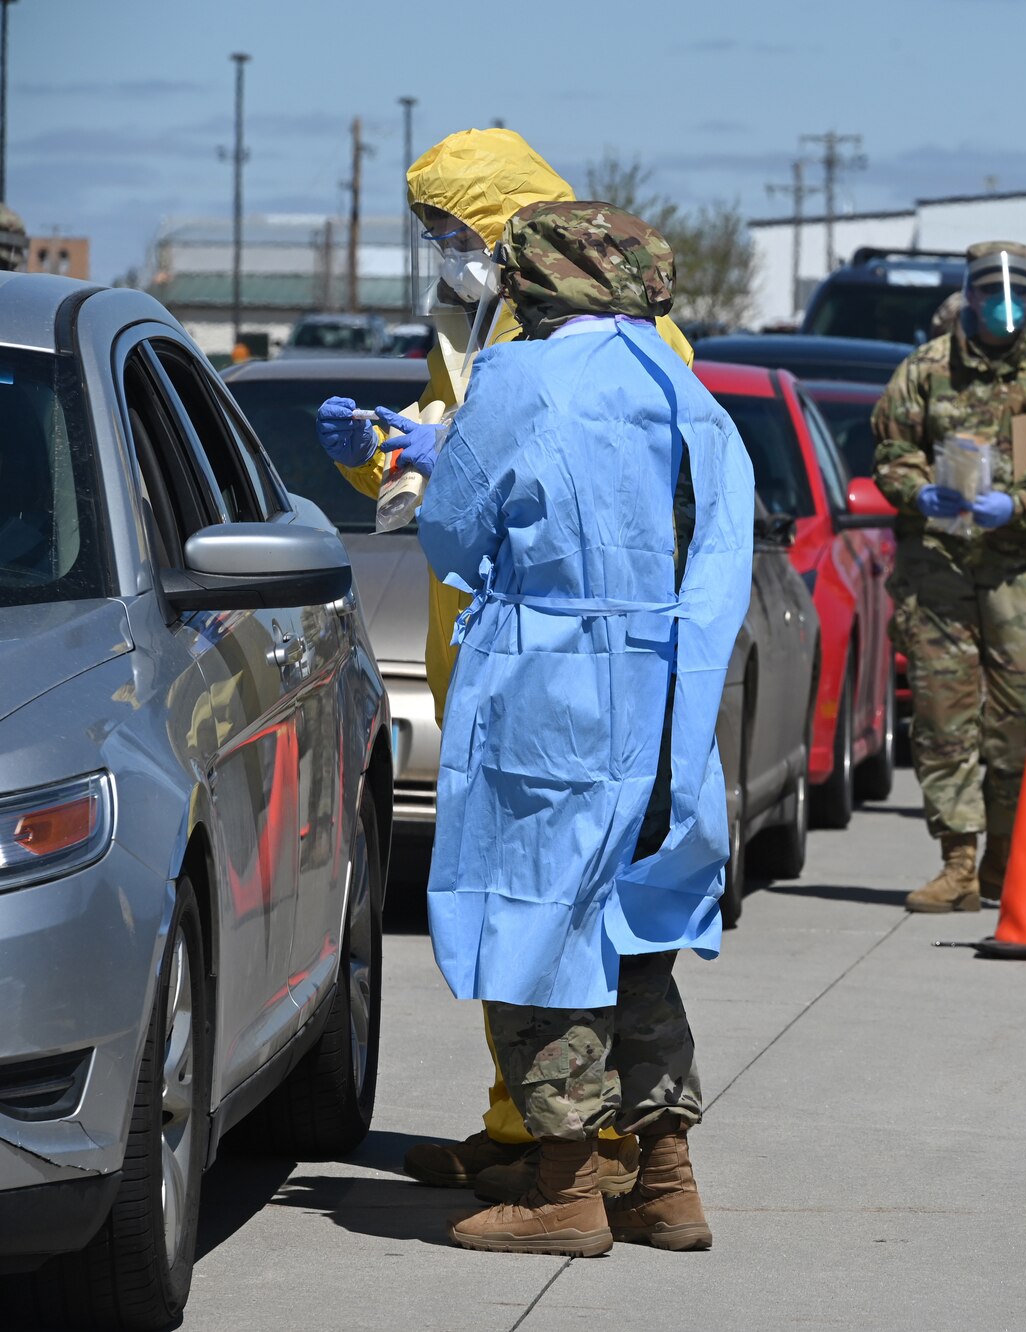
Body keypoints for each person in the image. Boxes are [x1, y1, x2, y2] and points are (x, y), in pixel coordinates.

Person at [309, 128, 699, 1203]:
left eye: (456, 229)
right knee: (610, 917)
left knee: (537, 911)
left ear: (511, 225)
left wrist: (450, 462)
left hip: (543, 664)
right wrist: (389, 464)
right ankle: (598, 1149)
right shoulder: (513, 329)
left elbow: (490, 512)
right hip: (601, 661)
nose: (447, 250)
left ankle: (572, 1167)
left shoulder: (578, 350)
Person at [415, 200, 753, 1256]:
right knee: (638, 934)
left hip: (554, 700)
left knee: (543, 929)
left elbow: (454, 540)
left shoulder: (518, 381)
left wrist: (419, 460)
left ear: (535, 281)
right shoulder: (688, 394)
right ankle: (664, 1183)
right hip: (669, 705)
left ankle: (562, 1190)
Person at [873, 241, 1026, 911]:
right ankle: (959, 862)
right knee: (943, 720)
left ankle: (1004, 856)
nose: (1005, 306)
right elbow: (891, 452)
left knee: (1019, 722)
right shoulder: (924, 371)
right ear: (967, 297)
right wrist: (919, 494)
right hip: (938, 572)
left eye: (1020, 294)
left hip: (1019, 577)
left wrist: (1018, 504)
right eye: (992, 293)